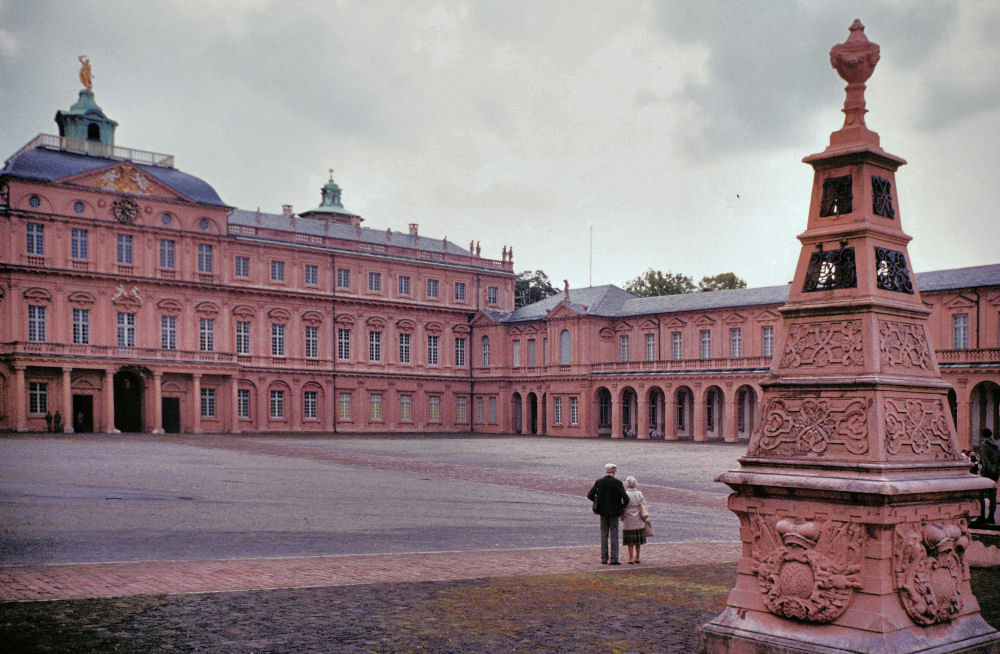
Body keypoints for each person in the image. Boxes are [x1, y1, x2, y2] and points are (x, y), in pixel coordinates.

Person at [587, 463, 629, 565]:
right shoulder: (618, 483)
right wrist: (622, 507)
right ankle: (614, 558)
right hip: (614, 512)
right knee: (614, 535)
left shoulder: (599, 482)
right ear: (613, 471)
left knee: (604, 535)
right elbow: (626, 498)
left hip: (602, 511)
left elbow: (590, 494)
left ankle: (604, 558)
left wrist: (597, 501)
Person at [621, 476, 648, 564]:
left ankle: (630, 557)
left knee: (630, 541)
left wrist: (621, 517)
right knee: (638, 541)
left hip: (628, 518)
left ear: (628, 484)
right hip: (638, 518)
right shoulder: (639, 493)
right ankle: (638, 557)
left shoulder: (625, 494)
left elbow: (622, 505)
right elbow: (643, 504)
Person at [979, 428, 999, 524]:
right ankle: (991, 516)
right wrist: (996, 471)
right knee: (993, 495)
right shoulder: (997, 445)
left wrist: (987, 471)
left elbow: (984, 460)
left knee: (980, 494)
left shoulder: (983, 445)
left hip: (986, 473)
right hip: (995, 472)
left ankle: (981, 516)